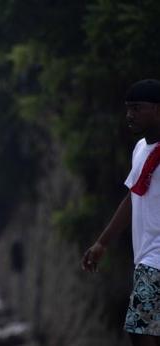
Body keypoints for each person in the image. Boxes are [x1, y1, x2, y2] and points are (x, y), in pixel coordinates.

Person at [82, 79, 160, 346]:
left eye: (137, 108)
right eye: (128, 108)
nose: (129, 115)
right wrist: (102, 243)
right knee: (144, 331)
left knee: (140, 331)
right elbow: (132, 198)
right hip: (145, 255)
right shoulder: (141, 149)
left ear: (157, 109)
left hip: (157, 259)